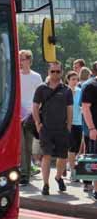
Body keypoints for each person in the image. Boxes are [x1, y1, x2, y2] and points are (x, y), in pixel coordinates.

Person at [32, 61, 72, 195]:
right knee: (46, 156)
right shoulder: (41, 88)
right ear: (48, 72)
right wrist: (38, 123)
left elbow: (69, 109)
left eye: (58, 71)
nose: (55, 74)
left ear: (62, 72)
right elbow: (35, 107)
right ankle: (45, 184)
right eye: (52, 71)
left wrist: (69, 126)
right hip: (46, 128)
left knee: (62, 157)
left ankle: (58, 177)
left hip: (61, 128)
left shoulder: (66, 90)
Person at [19, 50, 43, 185]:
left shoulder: (36, 76)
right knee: (21, 145)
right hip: (17, 115)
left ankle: (26, 174)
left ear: (28, 60)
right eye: (19, 59)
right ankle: (23, 173)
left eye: (22, 59)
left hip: (30, 115)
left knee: (27, 146)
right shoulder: (16, 75)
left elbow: (40, 97)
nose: (20, 61)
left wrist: (37, 115)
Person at [79, 67, 97, 200]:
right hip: (95, 129)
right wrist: (91, 128)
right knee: (95, 159)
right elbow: (85, 108)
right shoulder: (91, 86)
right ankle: (96, 189)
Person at [66, 70, 83, 180]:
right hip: (68, 123)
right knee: (71, 148)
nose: (75, 81)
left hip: (80, 123)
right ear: (68, 80)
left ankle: (69, 166)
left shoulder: (81, 91)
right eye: (73, 79)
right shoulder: (64, 91)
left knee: (77, 149)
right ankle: (73, 172)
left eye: (76, 79)